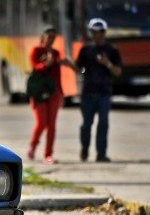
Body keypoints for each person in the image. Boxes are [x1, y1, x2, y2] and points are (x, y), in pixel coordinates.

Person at [75, 18, 122, 162]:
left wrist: (107, 63)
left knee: (103, 123)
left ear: (104, 33)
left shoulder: (112, 50)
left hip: (104, 93)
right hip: (88, 92)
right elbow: (79, 69)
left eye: (100, 32)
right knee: (86, 125)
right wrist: (81, 70)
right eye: (94, 32)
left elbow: (118, 72)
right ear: (91, 33)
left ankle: (101, 154)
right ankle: (84, 148)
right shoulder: (86, 50)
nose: (97, 35)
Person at [27, 26, 75, 164]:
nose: (51, 40)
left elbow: (58, 74)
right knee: (42, 122)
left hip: (54, 93)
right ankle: (33, 145)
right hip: (39, 92)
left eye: (54, 38)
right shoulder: (36, 51)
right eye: (49, 37)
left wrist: (61, 93)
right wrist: (46, 63)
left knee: (52, 125)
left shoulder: (56, 53)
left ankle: (48, 154)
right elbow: (34, 67)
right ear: (43, 38)